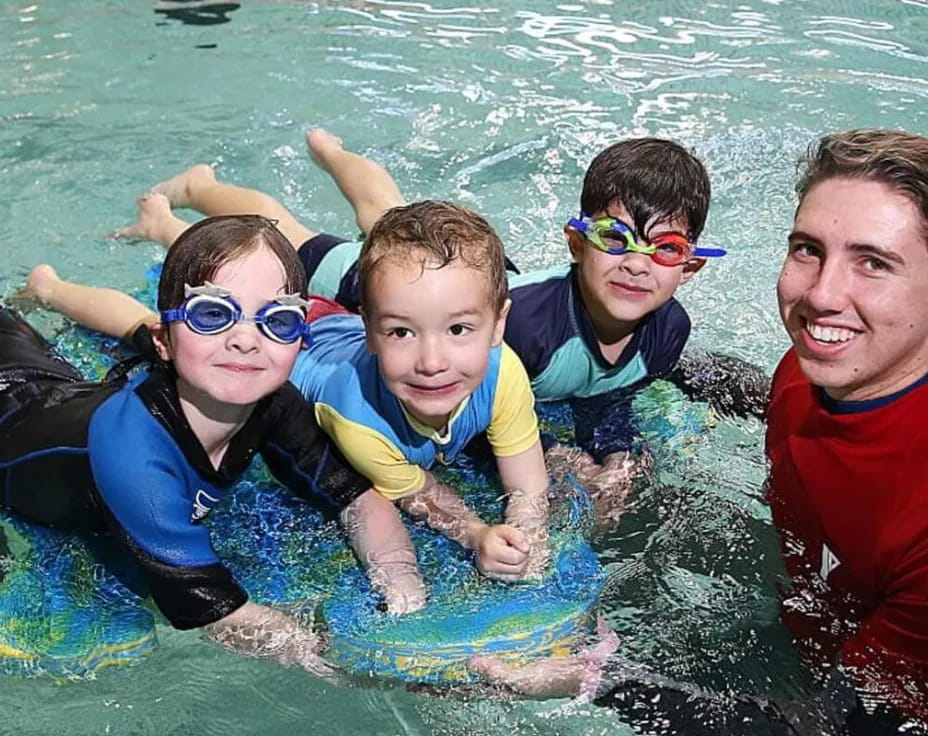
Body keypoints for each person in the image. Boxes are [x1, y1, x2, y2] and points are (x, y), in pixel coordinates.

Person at [466, 128, 928, 734]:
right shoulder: (803, 374)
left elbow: (841, 728)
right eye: (808, 249)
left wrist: (598, 681)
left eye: (874, 263)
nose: (821, 295)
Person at [106, 130, 731, 530]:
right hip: (430, 290)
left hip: (473, 281)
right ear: (577, 241)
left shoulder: (666, 330)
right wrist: (550, 454)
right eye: (615, 240)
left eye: (666, 249)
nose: (637, 264)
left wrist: (610, 450)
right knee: (292, 239)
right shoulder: (523, 335)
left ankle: (332, 154)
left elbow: (609, 392)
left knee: (386, 209)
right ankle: (192, 198)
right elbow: (467, 411)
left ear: (690, 265)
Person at [24, 200, 551, 586]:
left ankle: (167, 230)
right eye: (400, 333)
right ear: (373, 332)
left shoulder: (502, 369)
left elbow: (526, 479)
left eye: (458, 330)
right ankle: (60, 282)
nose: (433, 362)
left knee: (237, 286)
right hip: (296, 334)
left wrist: (530, 541)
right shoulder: (356, 419)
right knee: (153, 322)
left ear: (497, 326)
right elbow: (422, 495)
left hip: (314, 324)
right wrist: (476, 533)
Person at [0, 214, 422, 680]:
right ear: (164, 341)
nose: (245, 339)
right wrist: (347, 661)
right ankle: (49, 288)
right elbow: (215, 612)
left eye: (278, 320)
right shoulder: (133, 457)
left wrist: (404, 597)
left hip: (53, 387)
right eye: (212, 314)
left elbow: (357, 499)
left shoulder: (271, 400)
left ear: (299, 340)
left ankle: (49, 288)